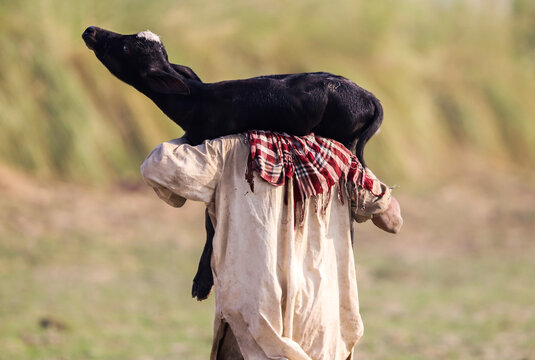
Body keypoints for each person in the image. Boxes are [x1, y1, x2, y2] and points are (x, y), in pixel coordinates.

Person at [141, 131, 402, 360]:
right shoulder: (337, 158)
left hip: (253, 318)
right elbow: (392, 220)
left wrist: (196, 132)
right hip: (320, 320)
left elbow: (158, 166)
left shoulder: (229, 150)